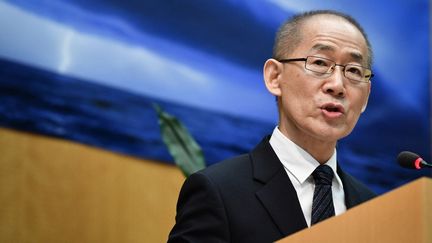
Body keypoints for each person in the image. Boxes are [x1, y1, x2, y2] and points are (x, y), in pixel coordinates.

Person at [168, 10, 376, 243]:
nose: (337, 85)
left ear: (366, 97)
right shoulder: (217, 191)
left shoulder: (372, 206)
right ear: (275, 77)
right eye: (319, 62)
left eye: (354, 71)